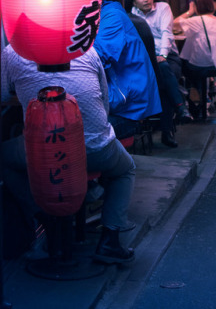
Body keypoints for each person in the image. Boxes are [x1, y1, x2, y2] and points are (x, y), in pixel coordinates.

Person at [1, 43, 135, 265]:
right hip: (96, 147)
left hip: (41, 152)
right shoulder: (86, 48)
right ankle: (110, 240)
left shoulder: (13, 51)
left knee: (4, 158)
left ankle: (43, 216)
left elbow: (3, 94)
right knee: (125, 170)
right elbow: (104, 101)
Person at [127, 0, 192, 147]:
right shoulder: (132, 14)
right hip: (145, 60)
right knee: (164, 81)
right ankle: (177, 111)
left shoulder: (163, 8)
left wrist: (162, 54)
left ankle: (169, 124)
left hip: (168, 56)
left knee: (163, 74)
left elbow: (166, 33)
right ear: (134, 2)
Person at [93, 0, 162, 140]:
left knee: (80, 135)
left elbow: (98, 57)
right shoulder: (105, 15)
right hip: (121, 102)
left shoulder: (112, 16)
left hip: (129, 110)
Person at [173, 0, 216, 119]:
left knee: (184, 68)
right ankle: (210, 91)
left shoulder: (196, 21)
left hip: (201, 65)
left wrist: (190, 11)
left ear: (198, 6)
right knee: (195, 66)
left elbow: (174, 23)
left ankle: (199, 100)